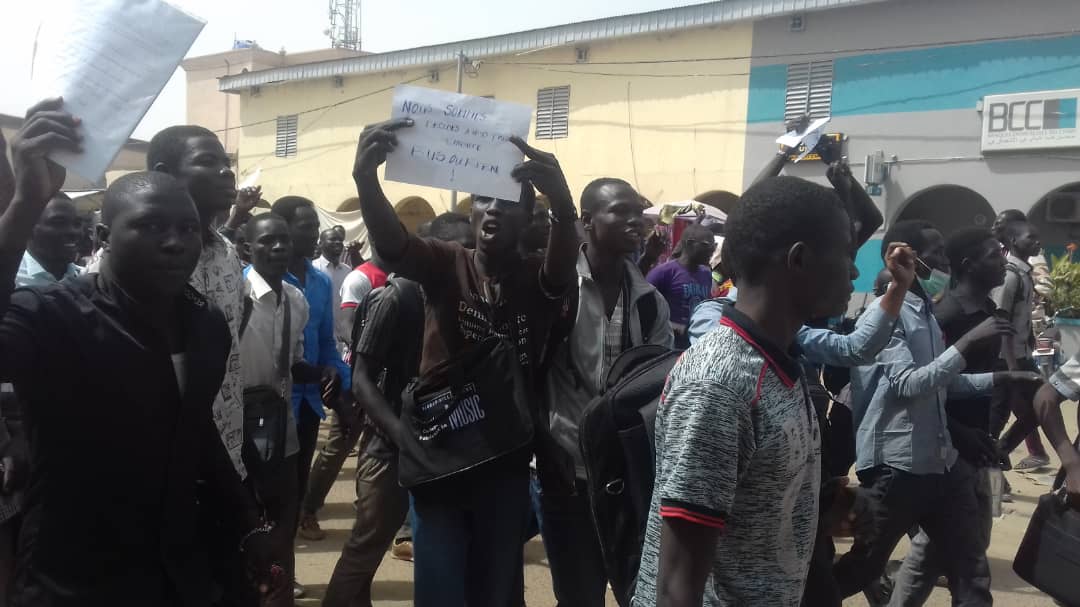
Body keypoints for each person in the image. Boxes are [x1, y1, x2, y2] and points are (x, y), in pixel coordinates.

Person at [0, 98, 271, 605]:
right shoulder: (53, 316)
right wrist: (24, 205)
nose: (174, 242)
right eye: (150, 227)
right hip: (74, 576)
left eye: (187, 229)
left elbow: (197, 427)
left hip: (177, 564)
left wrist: (248, 520)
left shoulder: (203, 323)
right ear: (103, 237)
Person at [351, 117, 578, 607]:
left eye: (506, 203)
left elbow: (563, 260)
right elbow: (393, 247)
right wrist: (366, 180)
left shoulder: (538, 280)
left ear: (528, 219)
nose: (492, 210)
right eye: (483, 200)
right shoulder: (444, 262)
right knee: (441, 590)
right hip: (441, 458)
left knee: (498, 589)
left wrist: (561, 201)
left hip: (505, 457)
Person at [633, 176, 856, 607]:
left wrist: (816, 508)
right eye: (845, 253)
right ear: (799, 260)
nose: (855, 270)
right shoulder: (720, 384)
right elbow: (676, 585)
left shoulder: (780, 364)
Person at [832, 219, 1043, 603]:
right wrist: (965, 344)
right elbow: (910, 385)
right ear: (906, 256)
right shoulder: (884, 317)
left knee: (971, 571)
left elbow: (941, 386)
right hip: (897, 466)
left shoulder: (923, 312)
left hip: (941, 463)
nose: (943, 260)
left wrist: (1001, 378)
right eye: (935, 252)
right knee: (863, 566)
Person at [320, 211, 472, 607]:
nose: (468, 257)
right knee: (365, 550)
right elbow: (362, 381)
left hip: (444, 446)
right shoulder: (396, 296)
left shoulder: (469, 298)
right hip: (391, 447)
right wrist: (403, 437)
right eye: (459, 248)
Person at [538, 177, 674, 606]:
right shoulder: (556, 291)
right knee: (579, 596)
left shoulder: (650, 301)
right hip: (568, 474)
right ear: (586, 222)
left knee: (640, 592)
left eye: (638, 212)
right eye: (620, 211)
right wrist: (546, 450)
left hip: (630, 476)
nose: (636, 220)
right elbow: (530, 375)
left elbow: (659, 386)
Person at [887, 227, 1011, 605]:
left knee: (939, 552)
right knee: (964, 556)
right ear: (970, 265)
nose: (1003, 261)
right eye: (994, 255)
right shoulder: (945, 315)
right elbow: (926, 389)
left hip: (977, 446)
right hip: (948, 449)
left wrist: (992, 435)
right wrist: (960, 434)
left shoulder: (990, 313)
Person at [238, 213, 328, 607]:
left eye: (284, 241)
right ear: (247, 248)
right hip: (233, 427)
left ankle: (279, 592)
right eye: (267, 242)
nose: (278, 248)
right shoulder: (234, 296)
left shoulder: (295, 300)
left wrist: (323, 373)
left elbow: (293, 361)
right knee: (242, 520)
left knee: (282, 520)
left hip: (278, 427)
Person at [267, 196, 351, 590]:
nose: (314, 234)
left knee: (295, 494)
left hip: (307, 406)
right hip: (266, 406)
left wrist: (339, 376)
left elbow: (327, 342)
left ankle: (286, 576)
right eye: (305, 227)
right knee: (266, 494)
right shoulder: (258, 279)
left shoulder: (319, 284)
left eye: (315, 227)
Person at [992, 215, 1051, 470]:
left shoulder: (1026, 274)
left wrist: (1029, 338)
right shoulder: (1009, 275)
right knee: (998, 416)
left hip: (1022, 354)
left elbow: (1021, 316)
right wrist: (1013, 367)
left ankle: (1001, 450)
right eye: (1031, 238)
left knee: (1042, 405)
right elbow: (1000, 321)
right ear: (1014, 240)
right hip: (1007, 360)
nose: (1037, 243)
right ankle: (989, 464)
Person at [646, 223, 714, 349]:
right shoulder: (663, 272)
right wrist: (671, 325)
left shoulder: (706, 274)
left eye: (713, 246)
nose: (711, 250)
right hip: (667, 346)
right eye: (705, 245)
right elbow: (643, 307)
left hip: (694, 346)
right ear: (689, 243)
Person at [312, 227, 352, 356]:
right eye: (332, 239)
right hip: (320, 340)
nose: (338, 242)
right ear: (320, 243)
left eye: (340, 240)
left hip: (344, 341)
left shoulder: (347, 271)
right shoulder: (313, 269)